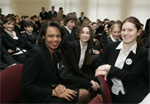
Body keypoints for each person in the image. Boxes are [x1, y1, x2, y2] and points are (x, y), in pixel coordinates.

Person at [20, 21, 91, 103]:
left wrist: (60, 86)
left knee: (84, 91)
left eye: (58, 36)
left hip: (49, 90)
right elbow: (26, 87)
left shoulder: (55, 54)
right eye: (50, 36)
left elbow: (54, 78)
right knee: (84, 94)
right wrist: (53, 92)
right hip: (38, 98)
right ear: (43, 36)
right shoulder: (36, 53)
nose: (55, 39)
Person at [95, 16, 149, 103]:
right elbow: (101, 64)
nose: (125, 33)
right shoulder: (111, 47)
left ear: (138, 32)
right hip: (115, 94)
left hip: (136, 93)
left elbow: (130, 75)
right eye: (123, 30)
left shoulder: (142, 52)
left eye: (130, 30)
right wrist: (105, 70)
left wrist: (109, 68)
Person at [60, 25, 100, 95]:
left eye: (87, 33)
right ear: (79, 34)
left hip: (78, 71)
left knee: (96, 83)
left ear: (90, 35)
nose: (85, 35)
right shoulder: (72, 45)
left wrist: (92, 79)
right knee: (89, 84)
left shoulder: (88, 46)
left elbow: (87, 67)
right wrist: (90, 80)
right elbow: (74, 68)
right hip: (67, 73)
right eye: (82, 32)